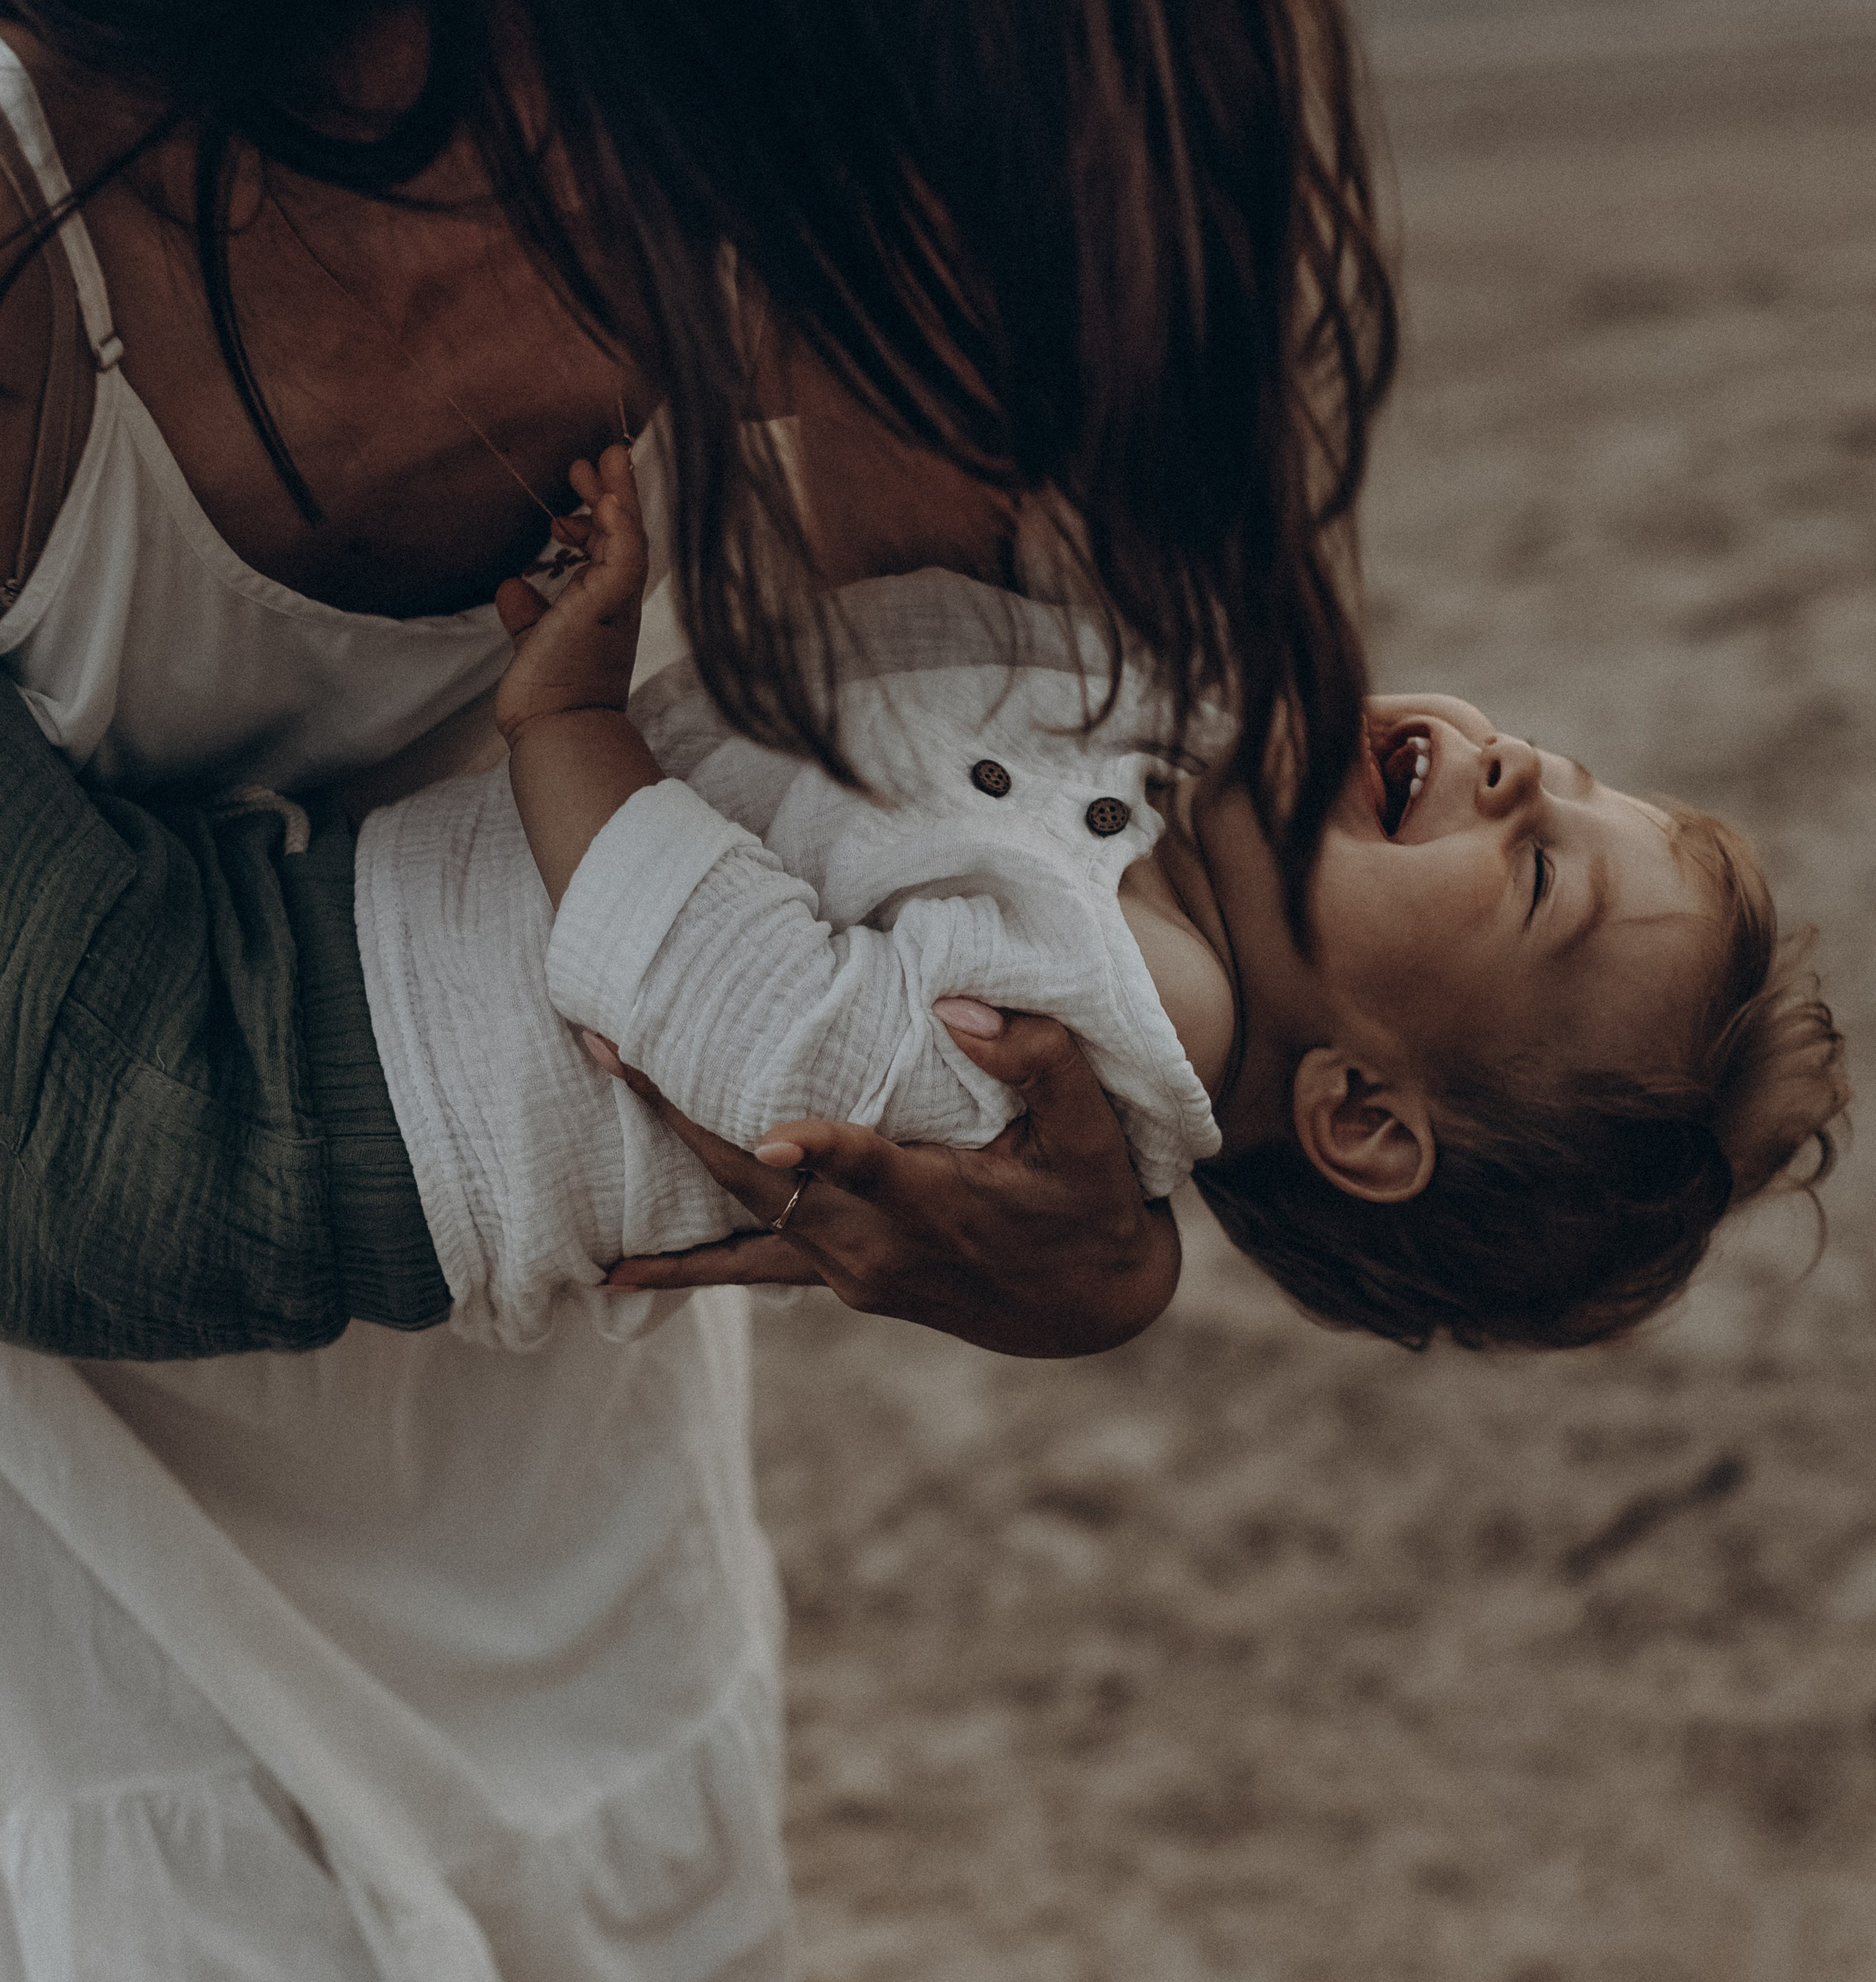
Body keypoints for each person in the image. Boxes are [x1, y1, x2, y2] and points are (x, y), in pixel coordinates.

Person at [0, 0, 1400, 1982]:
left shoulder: (913, 253)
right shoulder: (38, 260)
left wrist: (1090, 1223)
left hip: (540, 1526)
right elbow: (71, 1117)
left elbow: (1068, 869)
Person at [344, 441, 1843, 1360]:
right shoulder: (1186, 759)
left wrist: (567, 721)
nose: (1517, 768)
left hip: (347, 1099)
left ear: (1363, 1116)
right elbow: (995, 552)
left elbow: (749, 1014)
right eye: (1568, 770)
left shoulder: (1113, 1027)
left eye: (1535, 878)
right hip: (361, 919)